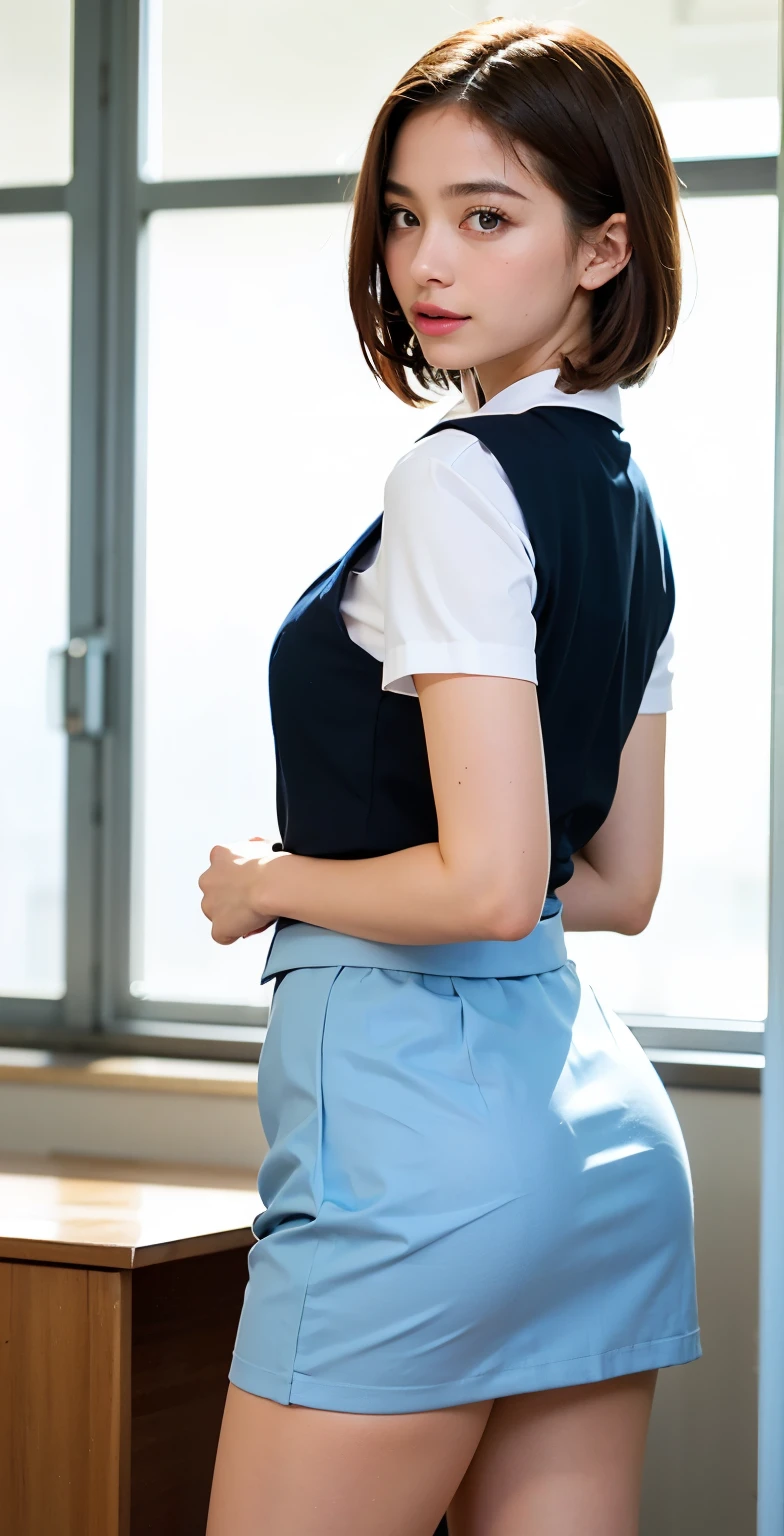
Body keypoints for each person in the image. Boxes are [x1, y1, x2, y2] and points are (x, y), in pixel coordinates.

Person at [198, 17, 701, 1535]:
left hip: (418, 1142)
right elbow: (610, 885)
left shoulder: (455, 476)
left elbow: (489, 885)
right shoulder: (631, 505)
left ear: (605, 248)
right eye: (409, 216)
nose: (432, 262)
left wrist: (264, 884)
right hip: (599, 1135)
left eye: (490, 218)